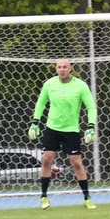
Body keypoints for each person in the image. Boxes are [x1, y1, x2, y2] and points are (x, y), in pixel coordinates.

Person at [28, 59, 98, 210]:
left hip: (71, 130)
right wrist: (35, 122)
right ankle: (44, 197)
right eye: (59, 67)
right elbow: (41, 102)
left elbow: (91, 107)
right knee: (47, 159)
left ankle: (87, 197)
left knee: (76, 163)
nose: (62, 69)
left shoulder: (80, 85)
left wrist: (91, 126)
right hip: (52, 128)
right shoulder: (50, 84)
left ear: (70, 68)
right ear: (56, 69)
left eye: (64, 67)